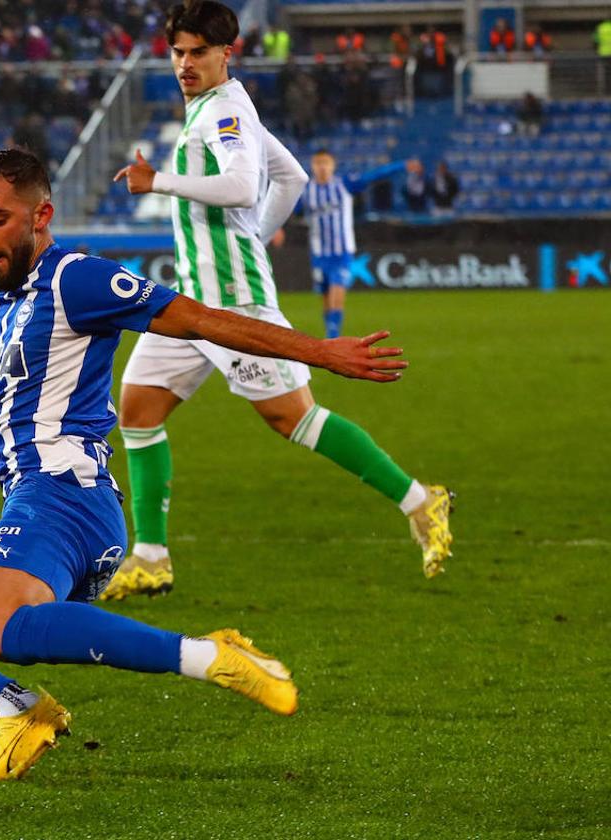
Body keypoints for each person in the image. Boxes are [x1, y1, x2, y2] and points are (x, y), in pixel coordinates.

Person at [0, 149, 410, 783]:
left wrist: (317, 352)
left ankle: (218, 657)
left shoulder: (78, 279)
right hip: (29, 509)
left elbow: (198, 317)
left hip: (72, 501)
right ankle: (17, 711)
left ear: (39, 215)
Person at [104, 0, 453, 601]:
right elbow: (289, 177)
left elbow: (242, 184)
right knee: (136, 410)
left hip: (234, 302)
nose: (185, 63)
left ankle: (422, 500)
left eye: (198, 53)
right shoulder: (218, 108)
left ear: (226, 53)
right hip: (191, 302)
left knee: (294, 419)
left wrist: (157, 181)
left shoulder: (225, 111)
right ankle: (152, 557)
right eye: (178, 53)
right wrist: (253, 234)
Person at [299, 149, 409, 337]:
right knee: (326, 297)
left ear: (332, 165)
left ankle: (333, 337)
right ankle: (330, 332)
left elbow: (374, 176)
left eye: (326, 162)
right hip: (318, 254)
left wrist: (401, 166)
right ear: (312, 166)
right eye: (318, 163)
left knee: (337, 294)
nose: (322, 167)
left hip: (342, 253)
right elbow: (286, 208)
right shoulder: (306, 191)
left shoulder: (344, 185)